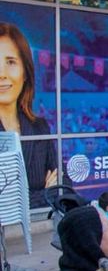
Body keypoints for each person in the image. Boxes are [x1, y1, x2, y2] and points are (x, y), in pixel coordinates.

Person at [0, 22, 57, 206]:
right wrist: (44, 195)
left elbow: (63, 183)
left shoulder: (39, 126)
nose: (2, 74)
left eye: (11, 62)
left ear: (25, 72)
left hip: (39, 229)